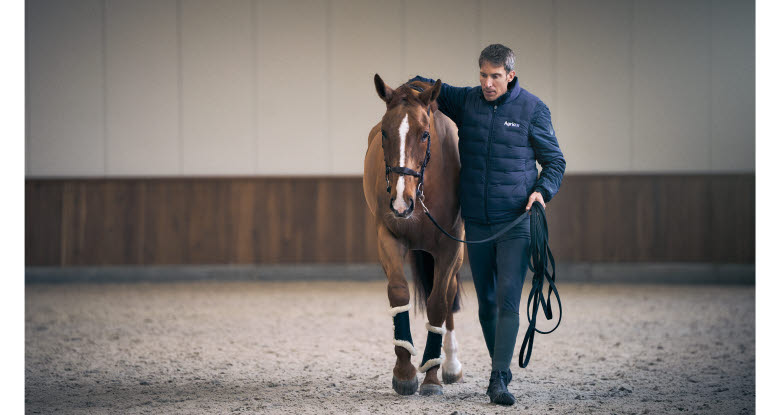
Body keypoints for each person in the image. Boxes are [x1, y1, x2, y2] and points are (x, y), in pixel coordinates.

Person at [410, 43, 565, 406]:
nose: (488, 83)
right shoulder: (467, 102)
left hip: (516, 223)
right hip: (477, 223)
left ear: (510, 76)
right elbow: (425, 83)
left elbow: (555, 161)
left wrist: (542, 192)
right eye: (483, 75)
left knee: (508, 300)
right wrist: (406, 91)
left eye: (496, 76)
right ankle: (500, 371)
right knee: (486, 302)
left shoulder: (533, 109)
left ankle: (499, 377)